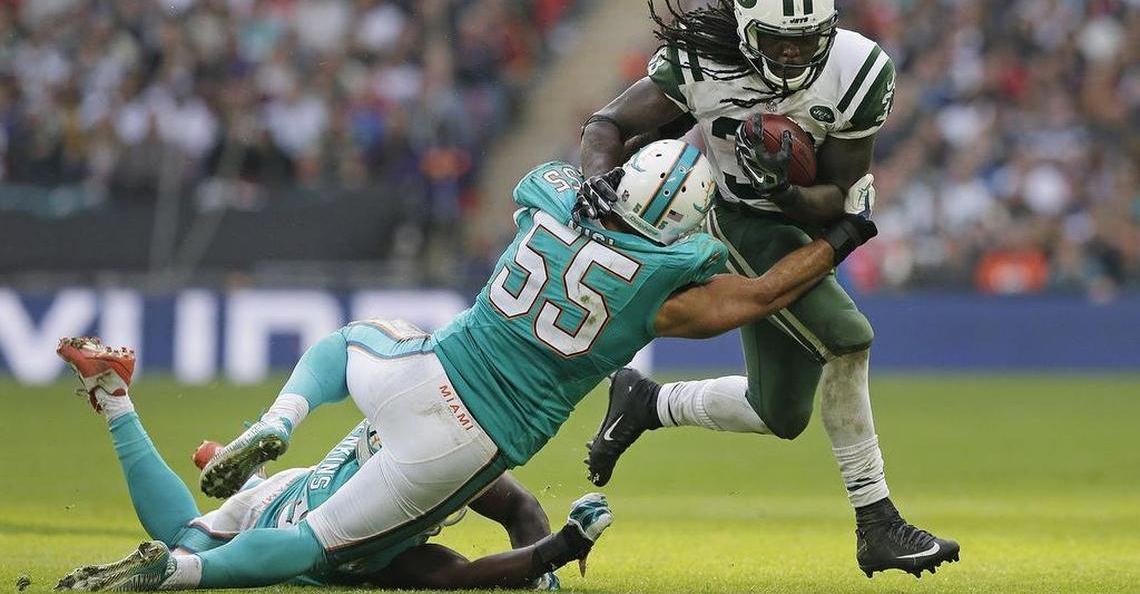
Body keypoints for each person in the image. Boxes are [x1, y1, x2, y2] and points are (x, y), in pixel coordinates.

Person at [56, 138, 877, 590]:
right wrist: (846, 231)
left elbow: (575, 163)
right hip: (463, 434)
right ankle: (180, 575)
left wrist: (600, 180)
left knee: (346, 342)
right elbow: (762, 292)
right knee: (314, 548)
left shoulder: (552, 195)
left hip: (420, 370)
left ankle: (264, 419)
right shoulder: (661, 287)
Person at [573, 0, 958, 579]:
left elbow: (837, 193)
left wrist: (784, 189)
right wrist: (597, 178)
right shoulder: (703, 61)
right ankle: (878, 522)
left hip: (802, 221)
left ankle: (648, 402)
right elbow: (608, 123)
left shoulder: (859, 71)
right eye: (778, 40)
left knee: (780, 412)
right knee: (848, 338)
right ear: (747, 28)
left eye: (805, 40)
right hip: (737, 218)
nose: (791, 54)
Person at [53, 337, 607, 591]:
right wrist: (553, 555)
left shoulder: (438, 457)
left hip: (385, 421)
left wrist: (548, 559)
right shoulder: (405, 542)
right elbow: (461, 572)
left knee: (350, 345)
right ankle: (178, 572)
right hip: (285, 524)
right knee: (230, 542)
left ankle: (122, 399)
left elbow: (515, 510)